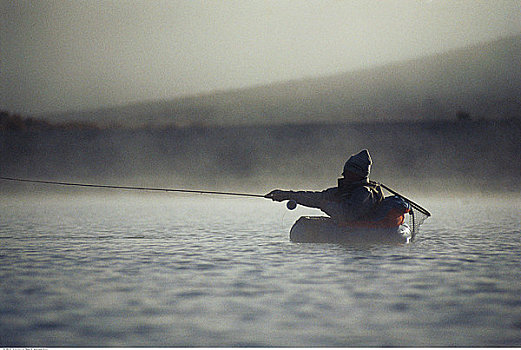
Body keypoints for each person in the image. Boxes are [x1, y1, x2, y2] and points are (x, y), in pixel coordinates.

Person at [266, 149, 384, 225]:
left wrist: (323, 204)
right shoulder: (346, 189)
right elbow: (316, 197)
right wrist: (286, 195)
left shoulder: (364, 193)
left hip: (363, 231)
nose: (343, 174)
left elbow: (347, 215)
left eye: (347, 171)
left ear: (357, 173)